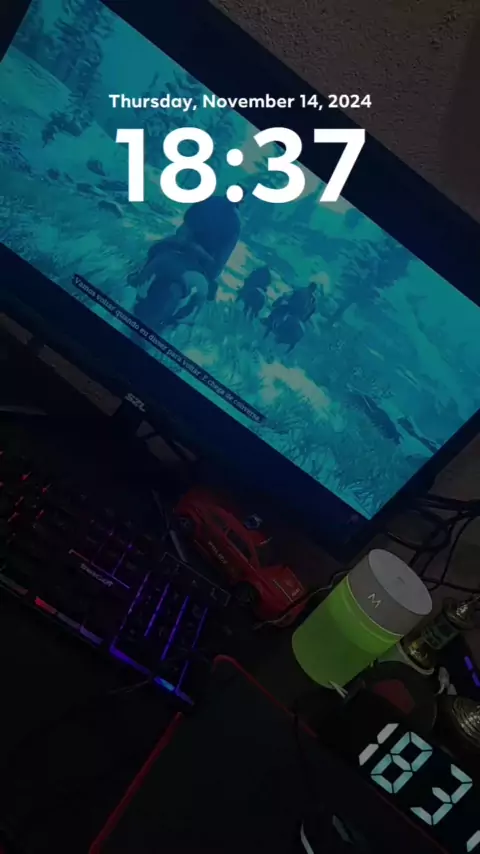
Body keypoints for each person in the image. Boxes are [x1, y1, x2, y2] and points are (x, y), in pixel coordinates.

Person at [133, 193, 243, 327]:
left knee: (154, 250)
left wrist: (185, 243)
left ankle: (138, 276)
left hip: (183, 247)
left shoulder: (209, 201)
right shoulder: (236, 223)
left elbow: (183, 230)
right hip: (203, 263)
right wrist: (211, 273)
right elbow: (221, 260)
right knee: (205, 295)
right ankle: (187, 319)